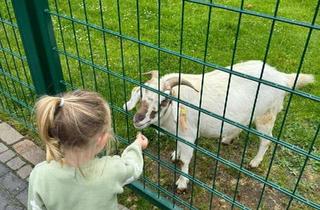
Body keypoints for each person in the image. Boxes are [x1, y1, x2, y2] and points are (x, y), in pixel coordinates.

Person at [28, 90, 148, 210]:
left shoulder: (40, 175)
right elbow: (133, 166)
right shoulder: (112, 169)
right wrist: (137, 145)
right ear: (101, 139)